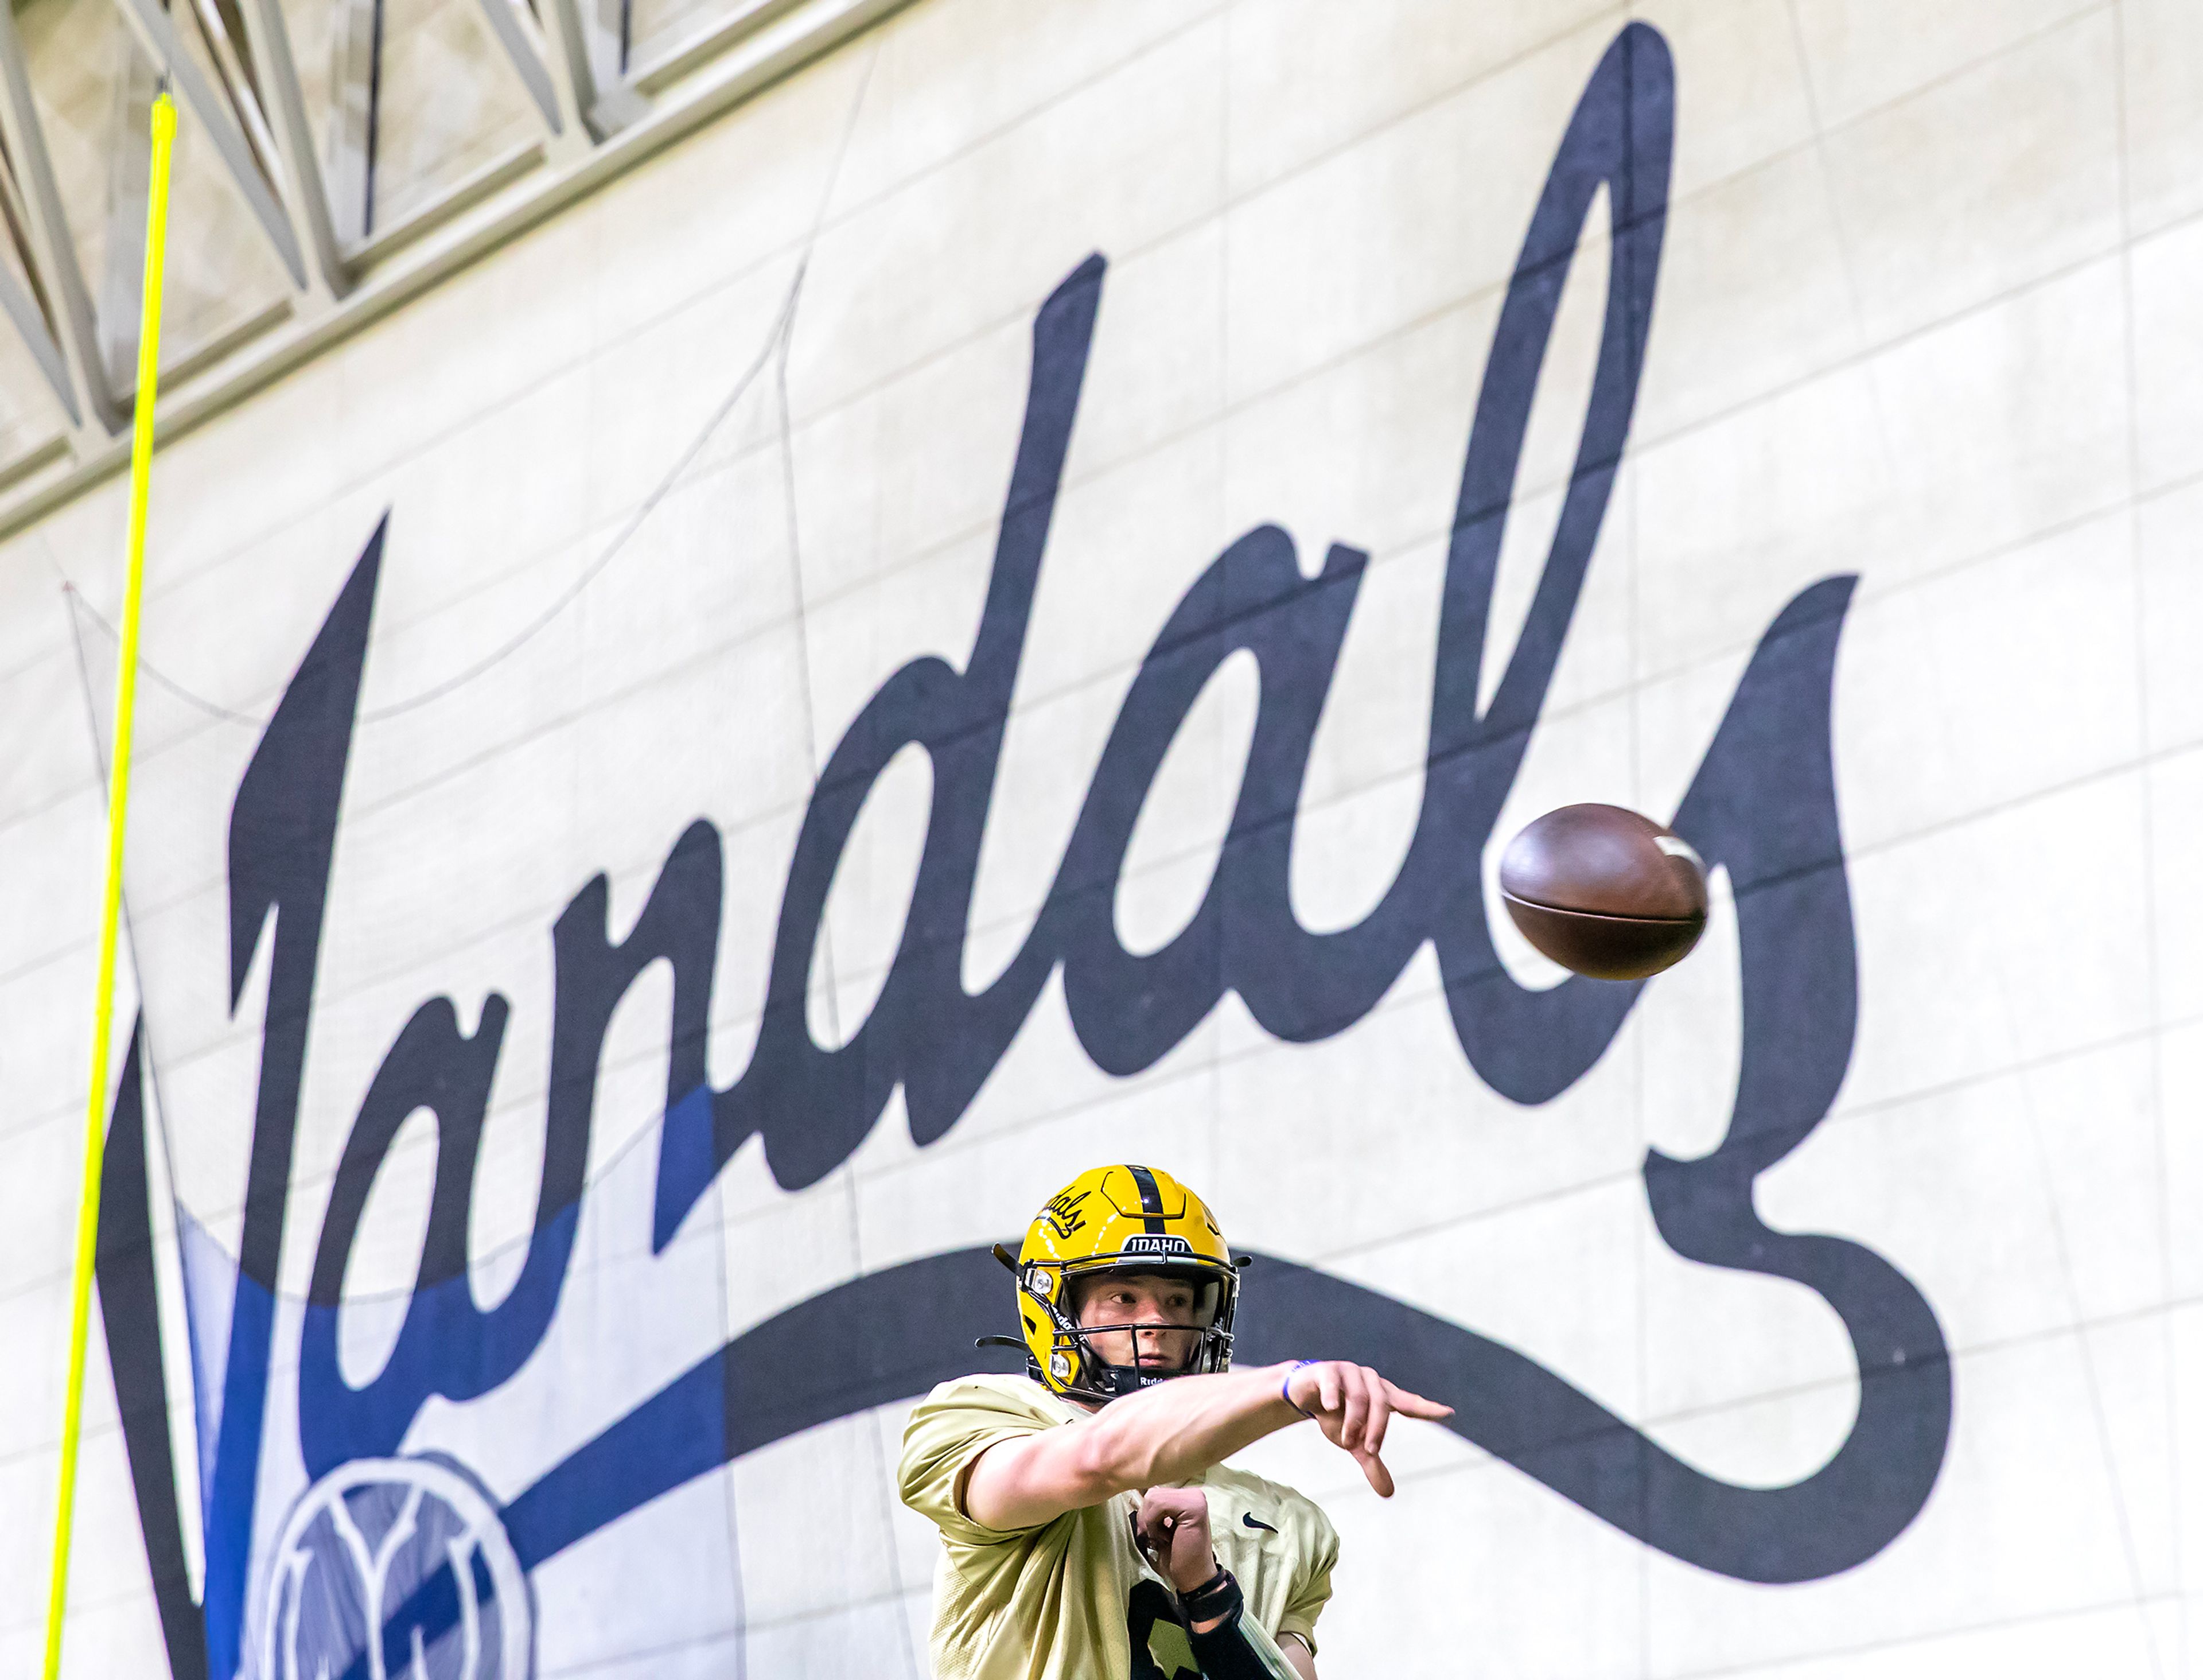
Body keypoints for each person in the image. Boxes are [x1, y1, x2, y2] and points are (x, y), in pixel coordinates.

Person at [898, 1163, 1453, 1678]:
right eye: (1123, 1296)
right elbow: (1097, 1459)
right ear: (1056, 1306)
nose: (1158, 1323)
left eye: (1180, 1300)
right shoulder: (978, 1417)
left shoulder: (1291, 1526)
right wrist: (1289, 1385)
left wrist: (1209, 1595)